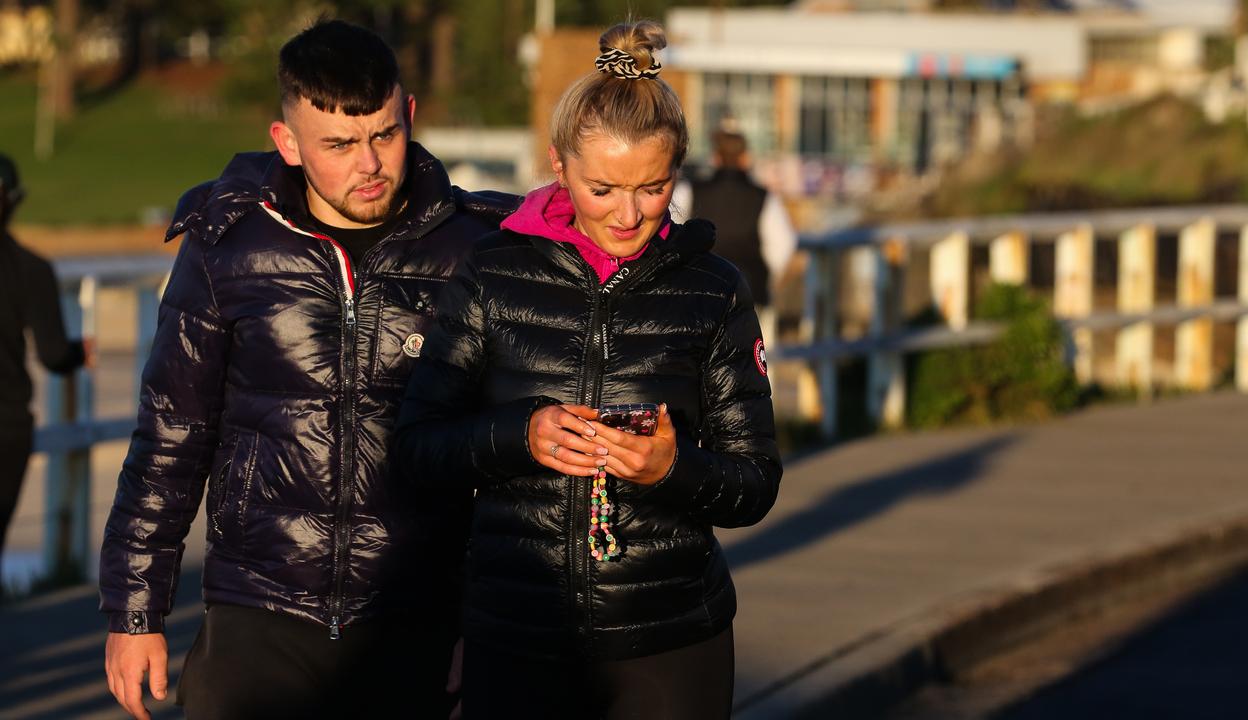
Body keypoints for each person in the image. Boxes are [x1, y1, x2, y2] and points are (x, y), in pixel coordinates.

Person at [98, 19, 512, 720]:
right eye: (340, 145)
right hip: (255, 609)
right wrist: (135, 612)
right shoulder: (225, 243)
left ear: (409, 115)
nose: (370, 163)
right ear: (287, 143)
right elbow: (171, 434)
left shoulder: (475, 249)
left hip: (417, 614)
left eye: (384, 134)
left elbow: (505, 445)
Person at [394, 20, 782, 719]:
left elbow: (754, 483)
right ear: (557, 165)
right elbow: (417, 448)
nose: (629, 215)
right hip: (516, 632)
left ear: (680, 170)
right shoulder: (491, 272)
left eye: (653, 187)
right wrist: (520, 435)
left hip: (670, 639)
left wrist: (671, 469)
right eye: (602, 189)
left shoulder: (714, 288)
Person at [0, 153, 90, 584]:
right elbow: (54, 356)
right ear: (15, 200)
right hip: (7, 426)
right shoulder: (31, 268)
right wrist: (79, 353)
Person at [671, 126, 796, 351]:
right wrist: (765, 275)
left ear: (715, 158)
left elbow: (673, 234)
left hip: (701, 294)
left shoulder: (690, 191)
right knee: (757, 366)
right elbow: (784, 243)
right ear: (746, 158)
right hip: (751, 292)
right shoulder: (763, 197)